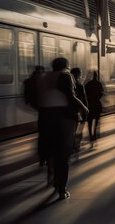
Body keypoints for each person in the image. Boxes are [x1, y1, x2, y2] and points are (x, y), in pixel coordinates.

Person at [37, 58, 88, 200]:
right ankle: (62, 189)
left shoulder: (44, 77)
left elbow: (36, 97)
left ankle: (51, 173)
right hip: (63, 116)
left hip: (45, 117)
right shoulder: (66, 75)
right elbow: (71, 96)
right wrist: (84, 108)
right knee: (64, 153)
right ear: (66, 66)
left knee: (52, 148)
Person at [24, 65, 47, 165]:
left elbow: (27, 96)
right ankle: (45, 156)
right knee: (46, 134)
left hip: (41, 109)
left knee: (42, 134)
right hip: (45, 109)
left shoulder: (29, 81)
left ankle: (42, 156)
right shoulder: (44, 81)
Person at [70, 68, 88, 152]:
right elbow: (84, 99)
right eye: (80, 73)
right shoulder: (80, 86)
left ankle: (72, 145)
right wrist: (85, 109)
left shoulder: (67, 85)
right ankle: (76, 146)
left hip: (70, 111)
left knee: (72, 130)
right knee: (79, 130)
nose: (81, 75)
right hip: (78, 111)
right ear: (77, 74)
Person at [84, 71, 103, 142]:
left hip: (90, 104)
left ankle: (90, 135)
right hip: (97, 103)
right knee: (96, 120)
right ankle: (94, 133)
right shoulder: (99, 84)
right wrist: (97, 97)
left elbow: (85, 94)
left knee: (90, 121)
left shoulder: (87, 84)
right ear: (97, 76)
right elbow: (101, 93)